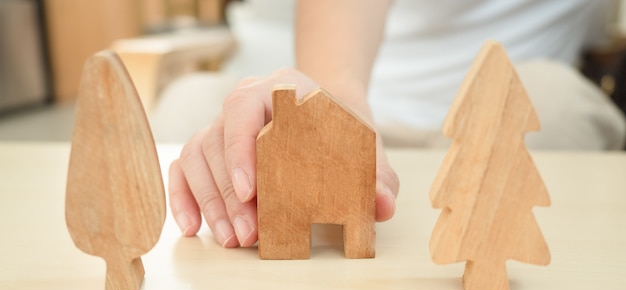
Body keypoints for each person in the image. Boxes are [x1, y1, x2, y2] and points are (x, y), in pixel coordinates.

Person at [167, 0, 626, 248]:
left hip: (483, 115)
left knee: (557, 107)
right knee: (186, 106)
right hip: (316, 81)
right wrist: (337, 104)